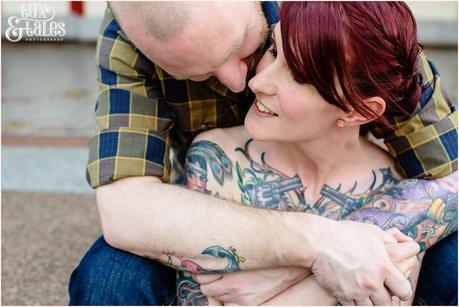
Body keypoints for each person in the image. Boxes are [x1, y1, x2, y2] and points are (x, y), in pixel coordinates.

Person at [68, 1, 457, 305]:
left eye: (246, 49)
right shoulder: (135, 31)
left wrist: (327, 265)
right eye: (195, 73)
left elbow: (452, 172)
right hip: (217, 206)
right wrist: (316, 250)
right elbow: (125, 210)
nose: (249, 82)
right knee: (109, 276)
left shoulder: (343, 23)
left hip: (336, 188)